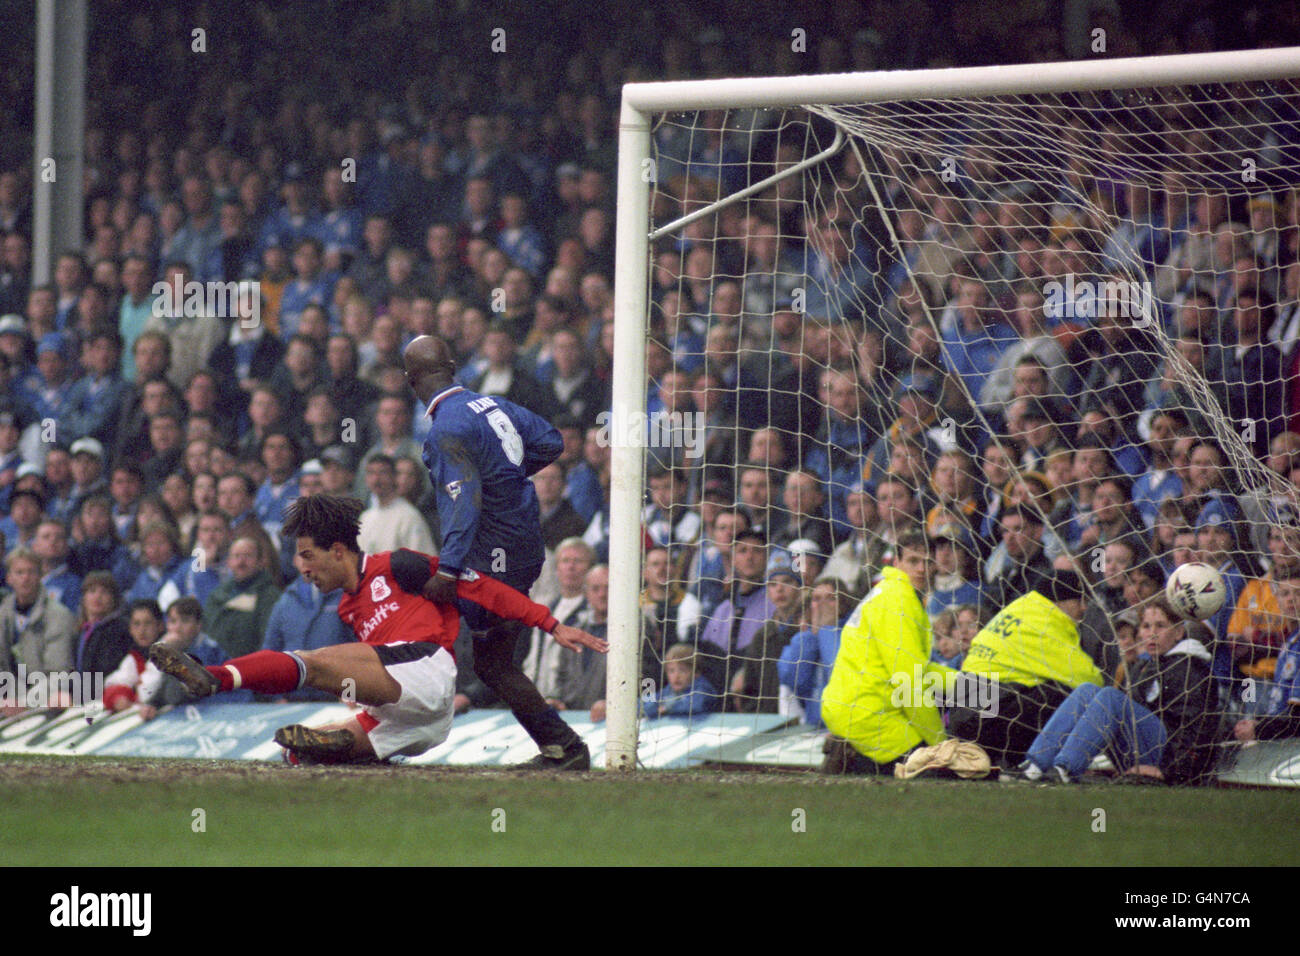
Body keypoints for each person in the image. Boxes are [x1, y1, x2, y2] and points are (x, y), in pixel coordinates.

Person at [151, 494, 607, 764]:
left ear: (336, 551)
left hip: (427, 669)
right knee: (300, 752)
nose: (300, 568)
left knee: (313, 663)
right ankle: (333, 748)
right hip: (422, 722)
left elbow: (479, 587)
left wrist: (548, 622)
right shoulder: (348, 608)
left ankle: (215, 676)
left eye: (306, 556)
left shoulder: (399, 565)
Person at [403, 334, 594, 770]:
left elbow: (463, 503)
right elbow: (551, 441)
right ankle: (562, 748)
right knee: (494, 661)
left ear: (410, 379)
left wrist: (448, 570)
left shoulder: (446, 430)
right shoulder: (493, 404)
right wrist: (506, 475)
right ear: (452, 365)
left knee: (487, 659)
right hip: (527, 544)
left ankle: (565, 748)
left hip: (493, 555)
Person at [1009, 597, 1217, 784]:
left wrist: (1168, 771)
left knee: (1110, 696)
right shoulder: (1143, 666)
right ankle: (1035, 765)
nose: (1151, 634)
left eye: (1160, 626)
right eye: (1146, 626)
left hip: (1166, 758)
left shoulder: (1190, 668)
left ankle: (1065, 768)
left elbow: (1196, 730)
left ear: (1179, 631)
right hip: (1137, 750)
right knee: (1087, 690)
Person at [820, 528, 955, 774]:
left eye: (927, 562)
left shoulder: (889, 592)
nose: (921, 569)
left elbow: (916, 669)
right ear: (897, 562)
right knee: (947, 776)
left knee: (978, 699)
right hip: (871, 717)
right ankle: (855, 761)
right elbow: (908, 683)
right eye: (913, 561)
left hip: (853, 708)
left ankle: (850, 756)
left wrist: (970, 684)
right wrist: (940, 745)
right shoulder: (899, 601)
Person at [948, 571, 1104, 768]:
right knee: (1070, 694)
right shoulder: (1046, 622)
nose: (1083, 609)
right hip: (984, 717)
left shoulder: (1020, 609)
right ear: (1060, 601)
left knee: (1037, 689)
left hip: (963, 714)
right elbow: (1088, 678)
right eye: (1080, 601)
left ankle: (1011, 761)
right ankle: (1040, 762)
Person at [641, 643, 719, 719]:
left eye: (682, 670)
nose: (676, 676)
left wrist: (667, 707)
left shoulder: (702, 688)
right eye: (671, 671)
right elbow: (645, 704)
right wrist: (652, 707)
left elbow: (694, 705)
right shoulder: (669, 689)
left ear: (696, 673)